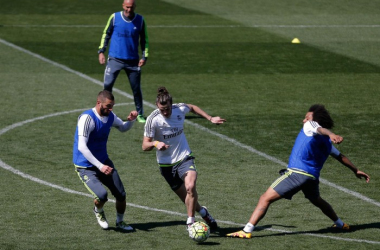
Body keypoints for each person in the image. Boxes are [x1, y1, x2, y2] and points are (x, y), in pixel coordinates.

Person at [227, 104, 370, 239]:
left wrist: (331, 134)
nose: (304, 120)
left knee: (265, 198)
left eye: (307, 117)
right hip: (312, 178)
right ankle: (340, 224)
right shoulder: (327, 143)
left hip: (297, 174)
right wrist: (355, 170)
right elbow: (341, 157)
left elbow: (321, 130)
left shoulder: (311, 126)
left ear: (315, 120)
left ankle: (247, 231)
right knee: (317, 200)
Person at [142, 87, 226, 233]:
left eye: (167, 108)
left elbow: (192, 107)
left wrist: (210, 118)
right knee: (187, 199)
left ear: (171, 104)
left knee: (190, 187)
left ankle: (190, 223)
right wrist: (155, 143)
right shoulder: (152, 119)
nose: (166, 112)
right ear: (157, 106)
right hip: (166, 165)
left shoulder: (179, 109)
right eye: (163, 110)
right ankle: (204, 213)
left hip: (184, 157)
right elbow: (145, 145)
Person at [73, 90, 138, 231]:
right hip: (85, 165)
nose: (111, 109)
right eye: (108, 106)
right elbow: (82, 147)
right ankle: (98, 211)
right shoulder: (87, 118)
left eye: (112, 106)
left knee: (121, 194)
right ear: (98, 103)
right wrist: (100, 166)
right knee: (102, 196)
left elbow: (123, 127)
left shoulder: (110, 116)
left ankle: (120, 222)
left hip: (103, 161)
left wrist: (131, 121)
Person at [98, 0, 149, 123]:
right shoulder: (114, 17)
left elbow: (144, 39)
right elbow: (106, 34)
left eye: (131, 7)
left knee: (136, 89)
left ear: (135, 6)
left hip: (133, 62)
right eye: (127, 7)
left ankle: (140, 114)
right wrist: (101, 51)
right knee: (107, 86)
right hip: (115, 59)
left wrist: (144, 57)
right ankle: (105, 112)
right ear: (123, 6)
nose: (129, 10)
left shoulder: (140, 20)